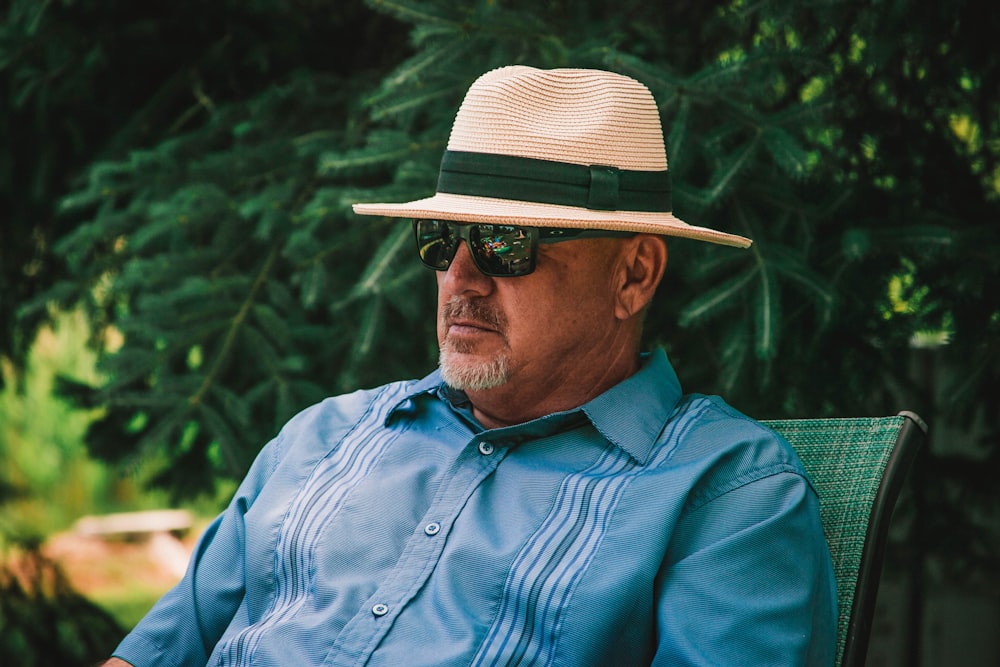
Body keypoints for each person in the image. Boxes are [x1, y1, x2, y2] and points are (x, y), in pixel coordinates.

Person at [103, 66, 836, 667]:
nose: (461, 275)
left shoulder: (727, 494)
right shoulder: (323, 437)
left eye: (504, 242)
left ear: (633, 275)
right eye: (441, 236)